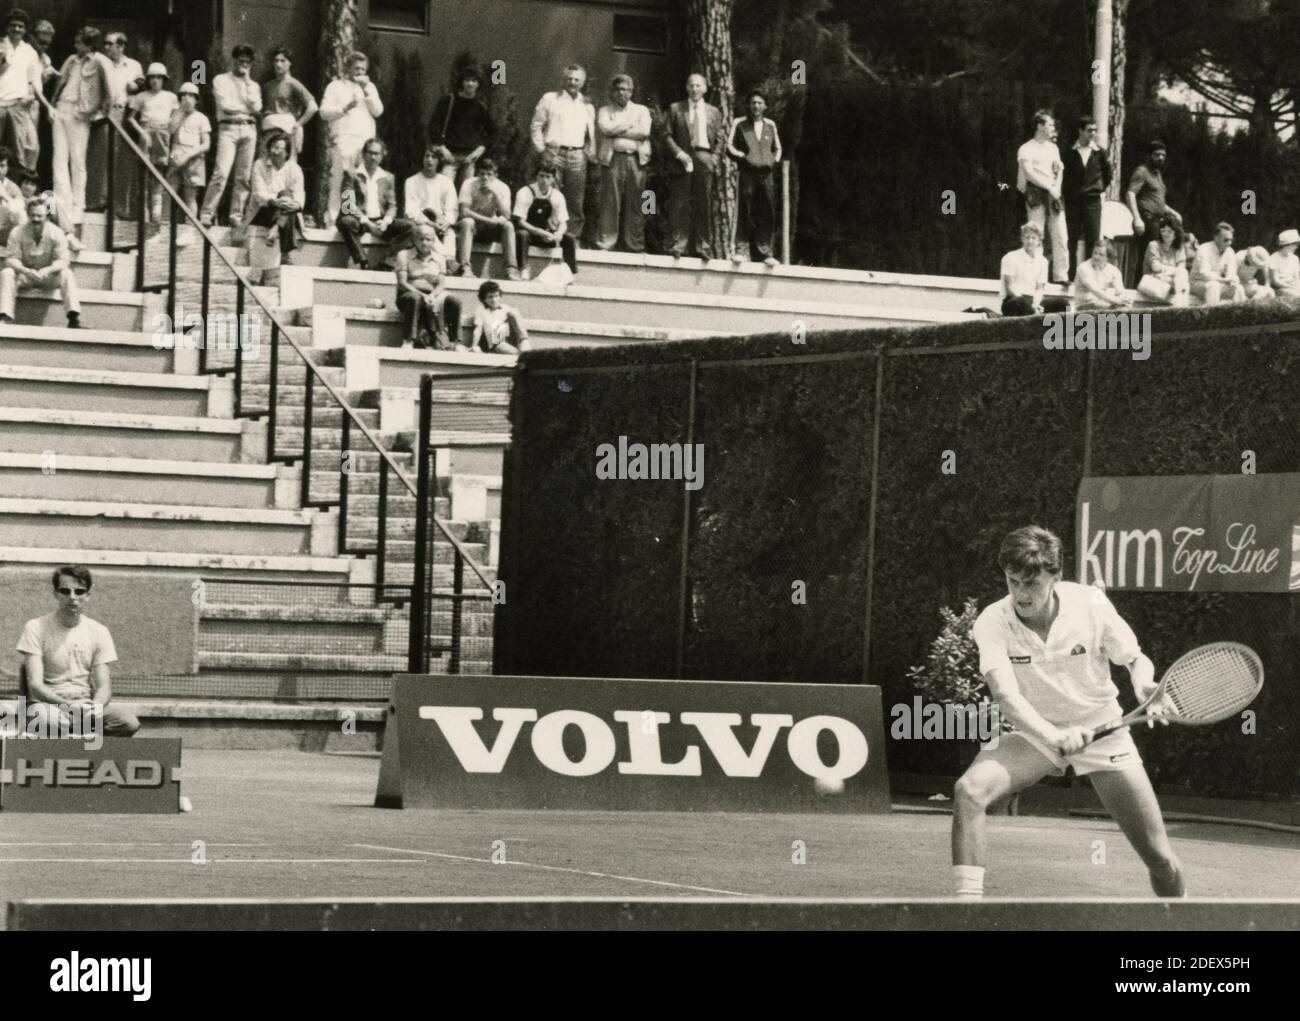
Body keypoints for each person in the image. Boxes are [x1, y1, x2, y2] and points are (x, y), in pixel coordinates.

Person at [952, 526, 1184, 900]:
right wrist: (1052, 735)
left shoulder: (1090, 604)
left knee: (1160, 859)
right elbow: (1006, 696)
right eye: (1013, 582)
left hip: (1104, 729)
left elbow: (1134, 658)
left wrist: (1144, 683)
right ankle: (963, 916)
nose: (1021, 594)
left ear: (1056, 577)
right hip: (1035, 734)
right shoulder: (992, 621)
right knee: (970, 791)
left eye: (1032, 584)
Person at [16, 566, 139, 739]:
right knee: (45, 720)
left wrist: (95, 707)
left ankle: (84, 748)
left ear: (88, 595)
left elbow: (104, 686)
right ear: (56, 594)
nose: (72, 597)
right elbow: (35, 685)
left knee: (127, 722)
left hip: (85, 705)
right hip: (49, 706)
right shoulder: (35, 627)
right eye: (65, 591)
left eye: (79, 591)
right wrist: (67, 705)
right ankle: (73, 744)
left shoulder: (99, 631)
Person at [50, 26, 114, 230]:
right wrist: (52, 107)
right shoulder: (70, 60)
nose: (75, 45)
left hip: (80, 114)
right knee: (59, 158)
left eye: (79, 42)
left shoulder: (101, 61)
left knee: (77, 161)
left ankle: (78, 205)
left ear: (89, 44)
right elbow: (61, 83)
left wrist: (97, 115)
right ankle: (62, 203)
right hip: (62, 109)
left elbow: (111, 92)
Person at [529, 64, 595, 244]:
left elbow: (590, 133)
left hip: (577, 155)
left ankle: (572, 239)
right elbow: (536, 126)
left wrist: (588, 153)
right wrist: (542, 150)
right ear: (563, 80)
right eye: (569, 79)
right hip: (554, 152)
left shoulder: (586, 104)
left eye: (576, 79)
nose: (572, 82)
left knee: (575, 199)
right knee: (551, 196)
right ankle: (549, 236)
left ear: (582, 82)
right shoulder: (550, 99)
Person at [663, 73, 724, 260]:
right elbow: (666, 134)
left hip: (704, 157)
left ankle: (703, 247)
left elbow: (720, 138)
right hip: (682, 157)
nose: (694, 89)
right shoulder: (675, 108)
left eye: (698, 86)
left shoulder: (713, 111)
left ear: (705, 88)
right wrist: (678, 153)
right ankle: (678, 245)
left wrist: (713, 158)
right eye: (691, 85)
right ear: (687, 88)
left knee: (703, 203)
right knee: (679, 203)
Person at [200, 46, 261, 232]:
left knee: (243, 177)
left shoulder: (254, 85)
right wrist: (245, 108)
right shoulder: (221, 80)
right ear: (233, 60)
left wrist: (248, 81)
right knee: (221, 172)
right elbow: (226, 106)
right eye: (240, 60)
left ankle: (236, 215)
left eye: (247, 62)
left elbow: (257, 107)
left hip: (249, 129)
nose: (243, 65)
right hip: (229, 128)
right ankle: (207, 213)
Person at [319, 50, 383, 225]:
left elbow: (378, 111)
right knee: (340, 180)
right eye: (356, 68)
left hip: (365, 141)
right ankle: (334, 220)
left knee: (362, 180)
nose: (359, 72)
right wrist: (344, 109)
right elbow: (323, 112)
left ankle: (360, 220)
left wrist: (366, 91)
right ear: (347, 68)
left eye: (362, 69)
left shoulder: (370, 87)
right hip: (343, 139)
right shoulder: (335, 86)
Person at [0, 193, 81, 327]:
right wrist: (25, 271)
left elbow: (64, 260)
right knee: (7, 272)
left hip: (47, 276)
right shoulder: (17, 232)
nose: (35, 219)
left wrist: (48, 269)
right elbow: (10, 259)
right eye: (32, 215)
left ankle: (73, 317)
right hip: (25, 276)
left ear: (48, 217)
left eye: (39, 216)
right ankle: (4, 316)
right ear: (28, 215)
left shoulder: (57, 233)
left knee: (66, 273)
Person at [594, 73, 651, 253]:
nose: (621, 93)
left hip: (636, 159)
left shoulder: (641, 110)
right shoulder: (605, 110)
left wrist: (616, 130)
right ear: (613, 92)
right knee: (610, 202)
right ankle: (606, 243)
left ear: (631, 92)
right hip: (613, 159)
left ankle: (635, 244)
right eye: (618, 89)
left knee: (638, 202)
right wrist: (628, 126)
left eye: (625, 89)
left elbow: (644, 131)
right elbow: (604, 128)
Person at [727, 89, 782, 267]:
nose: (756, 106)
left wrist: (772, 161)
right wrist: (744, 158)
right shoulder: (740, 123)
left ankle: (764, 253)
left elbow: (778, 148)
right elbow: (729, 146)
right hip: (747, 173)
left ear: (765, 106)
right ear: (749, 106)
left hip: (766, 175)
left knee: (765, 212)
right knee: (745, 209)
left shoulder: (771, 125)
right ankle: (740, 251)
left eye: (759, 103)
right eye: (753, 103)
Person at [1016, 109, 1068, 284]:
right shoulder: (1026, 148)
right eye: (1050, 124)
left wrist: (1056, 188)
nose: (1053, 128)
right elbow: (1029, 174)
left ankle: (1061, 276)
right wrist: (1048, 187)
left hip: (1054, 195)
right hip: (1036, 194)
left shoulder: (1053, 148)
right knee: (1036, 234)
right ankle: (1034, 276)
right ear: (1040, 126)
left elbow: (1059, 170)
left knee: (1060, 234)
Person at [335, 137, 402, 270]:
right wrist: (366, 222)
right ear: (364, 154)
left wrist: (386, 221)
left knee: (410, 227)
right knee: (345, 222)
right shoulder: (351, 174)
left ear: (382, 156)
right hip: (358, 220)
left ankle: (387, 260)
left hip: (380, 222)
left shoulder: (388, 177)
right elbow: (348, 204)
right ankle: (363, 261)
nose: (373, 157)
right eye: (370, 153)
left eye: (377, 154)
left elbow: (392, 205)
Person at [394, 222, 461, 350]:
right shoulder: (404, 255)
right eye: (421, 239)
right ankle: (408, 340)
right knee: (415, 298)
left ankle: (456, 342)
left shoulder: (440, 258)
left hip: (433, 295)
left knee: (454, 302)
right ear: (414, 240)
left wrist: (432, 295)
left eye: (428, 239)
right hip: (408, 295)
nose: (424, 243)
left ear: (433, 241)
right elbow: (402, 283)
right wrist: (423, 295)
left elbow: (441, 283)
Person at [1125, 141, 1182, 288]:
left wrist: (1174, 212)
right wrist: (1137, 219)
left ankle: (1151, 287)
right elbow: (1131, 194)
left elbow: (1159, 202)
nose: (1161, 158)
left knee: (1154, 256)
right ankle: (1138, 289)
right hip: (1146, 218)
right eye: (1157, 155)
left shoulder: (1157, 174)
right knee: (1148, 255)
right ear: (1149, 155)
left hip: (1158, 219)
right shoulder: (1142, 171)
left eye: (1163, 155)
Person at [127, 63, 178, 223]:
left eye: (159, 77)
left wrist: (170, 126)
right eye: (152, 78)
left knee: (159, 171)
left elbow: (176, 117)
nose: (155, 81)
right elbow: (130, 118)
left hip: (163, 134)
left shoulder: (171, 97)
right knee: (144, 172)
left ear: (164, 79)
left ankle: (156, 209)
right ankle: (144, 211)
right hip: (146, 131)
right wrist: (142, 133)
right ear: (148, 80)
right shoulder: (141, 97)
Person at [1062, 115, 1111, 281]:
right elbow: (1064, 176)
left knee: (1093, 239)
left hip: (1092, 201)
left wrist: (1095, 189)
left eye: (1095, 130)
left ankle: (1090, 277)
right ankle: (1070, 276)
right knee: (1071, 238)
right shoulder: (1069, 152)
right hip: (1073, 202)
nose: (1093, 133)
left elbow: (1107, 176)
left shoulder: (1100, 153)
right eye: (1089, 130)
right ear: (1080, 131)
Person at [429, 65, 492, 189]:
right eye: (467, 80)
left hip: (469, 158)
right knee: (443, 190)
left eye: (474, 81)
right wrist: (441, 147)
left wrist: (480, 150)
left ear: (478, 84)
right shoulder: (449, 100)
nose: (470, 84)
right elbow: (434, 125)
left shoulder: (480, 106)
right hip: (449, 157)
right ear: (462, 82)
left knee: (466, 194)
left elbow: (493, 131)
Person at [244, 131, 303, 261]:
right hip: (264, 211)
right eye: (273, 147)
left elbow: (299, 193)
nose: (275, 152)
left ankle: (276, 227)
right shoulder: (259, 164)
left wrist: (296, 203)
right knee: (285, 196)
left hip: (286, 210)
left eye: (279, 149)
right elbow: (258, 193)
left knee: (287, 195)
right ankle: (285, 254)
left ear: (287, 152)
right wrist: (275, 201)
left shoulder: (294, 169)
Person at [457, 157, 518, 280]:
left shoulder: (502, 187)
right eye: (482, 173)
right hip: (474, 228)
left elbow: (507, 216)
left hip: (491, 229)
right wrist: (490, 220)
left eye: (489, 174)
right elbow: (464, 211)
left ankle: (511, 269)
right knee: (467, 222)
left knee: (508, 226)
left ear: (495, 175)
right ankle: (465, 267)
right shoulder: (468, 184)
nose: (485, 177)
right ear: (477, 173)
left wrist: (495, 196)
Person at [514, 160, 577, 277]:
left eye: (548, 177)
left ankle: (571, 274)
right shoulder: (525, 192)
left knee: (569, 238)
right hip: (531, 233)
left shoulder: (557, 195)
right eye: (541, 176)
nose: (544, 180)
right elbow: (520, 221)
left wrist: (559, 233)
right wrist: (539, 232)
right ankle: (523, 269)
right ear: (536, 176)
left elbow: (563, 222)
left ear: (553, 179)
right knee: (522, 235)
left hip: (547, 234)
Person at [0, 7, 41, 178]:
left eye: (20, 26)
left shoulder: (30, 52)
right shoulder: (0, 46)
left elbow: (34, 80)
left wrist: (30, 96)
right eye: (13, 25)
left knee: (22, 151)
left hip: (18, 106)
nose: (16, 29)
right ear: (7, 27)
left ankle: (18, 191)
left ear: (25, 30)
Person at [404, 146, 459, 267]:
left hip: (440, 223)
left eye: (433, 157)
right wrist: (431, 224)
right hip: (423, 223)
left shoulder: (446, 182)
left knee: (450, 233)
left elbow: (452, 208)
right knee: (428, 233)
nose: (429, 160)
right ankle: (448, 261)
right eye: (427, 156)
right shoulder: (411, 181)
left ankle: (449, 260)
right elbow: (411, 211)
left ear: (438, 161)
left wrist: (446, 222)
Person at [998, 222, 1069, 317]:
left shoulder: (1043, 261)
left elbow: (1039, 288)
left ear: (1039, 241)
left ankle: (1068, 330)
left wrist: (1036, 304)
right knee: (1020, 303)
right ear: (1022, 239)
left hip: (1033, 300)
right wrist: (1030, 306)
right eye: (1027, 237)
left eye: (1033, 238)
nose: (1030, 241)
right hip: (1014, 299)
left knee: (1064, 304)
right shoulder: (1010, 257)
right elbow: (1009, 287)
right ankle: (1034, 316)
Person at [260, 45, 316, 161]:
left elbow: (313, 107)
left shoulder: (293, 84)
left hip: (285, 133)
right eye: (276, 61)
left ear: (289, 63)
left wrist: (298, 124)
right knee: (265, 165)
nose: (278, 64)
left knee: (286, 167)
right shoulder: (268, 86)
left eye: (282, 61)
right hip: (268, 133)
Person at [167, 82, 210, 231]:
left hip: (193, 158)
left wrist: (189, 156)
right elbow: (170, 131)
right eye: (183, 95)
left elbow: (206, 144)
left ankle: (189, 227)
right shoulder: (176, 114)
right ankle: (165, 225)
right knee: (170, 190)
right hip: (176, 154)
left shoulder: (201, 118)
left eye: (190, 95)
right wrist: (179, 112)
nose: (186, 98)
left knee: (190, 196)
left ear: (196, 99)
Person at [18, 172, 82, 253]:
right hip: (30, 225)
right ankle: (69, 238)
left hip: (45, 224)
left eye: (32, 185)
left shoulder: (39, 197)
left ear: (36, 187)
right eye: (26, 183)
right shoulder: (17, 196)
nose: (28, 187)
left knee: (50, 196)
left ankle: (69, 237)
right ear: (20, 184)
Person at [1136, 215, 1189, 306]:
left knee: (1182, 277)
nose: (1165, 234)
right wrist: (1174, 272)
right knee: (1182, 281)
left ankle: (1179, 309)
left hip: (1171, 283)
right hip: (1154, 283)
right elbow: (1155, 267)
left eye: (1169, 231)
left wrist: (1169, 274)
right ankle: (1180, 309)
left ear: (1176, 233)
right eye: (1163, 230)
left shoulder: (1179, 248)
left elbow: (1181, 268)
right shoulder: (1153, 245)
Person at [1190, 222, 1244, 306]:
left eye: (1231, 240)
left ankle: (1240, 317)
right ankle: (1212, 317)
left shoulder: (1230, 251)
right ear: (1216, 238)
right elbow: (1205, 274)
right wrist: (1224, 280)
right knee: (1213, 286)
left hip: (1218, 283)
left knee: (1238, 288)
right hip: (1197, 283)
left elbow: (1231, 273)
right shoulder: (1203, 249)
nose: (1229, 243)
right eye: (1226, 240)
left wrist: (1233, 279)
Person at [471, 280, 530, 355]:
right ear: (484, 299)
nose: (494, 300)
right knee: (498, 329)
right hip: (497, 344)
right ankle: (523, 355)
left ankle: (524, 340)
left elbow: (518, 323)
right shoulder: (481, 310)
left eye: (496, 296)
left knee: (513, 311)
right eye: (490, 297)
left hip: (512, 341)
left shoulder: (505, 308)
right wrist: (474, 345)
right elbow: (478, 329)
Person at [1072, 239, 1129, 310]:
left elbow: (1120, 292)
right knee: (1098, 304)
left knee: (1124, 308)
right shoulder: (1083, 267)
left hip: (1103, 305)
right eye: (1095, 253)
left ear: (1108, 258)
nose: (1096, 257)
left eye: (1101, 255)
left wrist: (1122, 301)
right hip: (1084, 306)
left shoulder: (1114, 270)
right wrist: (1117, 301)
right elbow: (1096, 291)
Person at [0, 145, 25, 243]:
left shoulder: (12, 187)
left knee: (49, 196)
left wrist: (5, 197)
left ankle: (68, 235)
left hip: (9, 230)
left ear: (7, 168)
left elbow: (19, 210)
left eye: (2, 166)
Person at [1267, 228, 1300, 300]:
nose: (1296, 247)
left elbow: (1297, 277)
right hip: (1280, 288)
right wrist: (1289, 286)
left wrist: (1297, 286)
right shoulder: (1273, 258)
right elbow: (1275, 281)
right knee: (1297, 295)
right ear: (1287, 245)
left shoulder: (1295, 259)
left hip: (1294, 286)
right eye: (1295, 244)